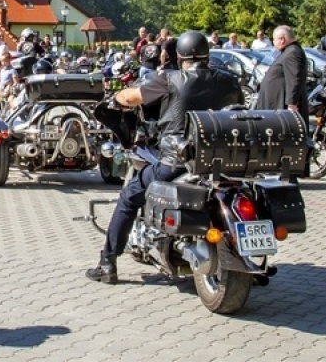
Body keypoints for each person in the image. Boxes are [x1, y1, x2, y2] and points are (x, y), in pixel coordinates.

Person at [86, 30, 243, 285]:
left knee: (129, 197)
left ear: (179, 56)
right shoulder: (229, 81)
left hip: (178, 162)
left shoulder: (170, 79)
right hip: (224, 162)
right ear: (207, 54)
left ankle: (107, 262)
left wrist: (116, 97)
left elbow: (131, 97)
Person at [256, 25, 306, 117]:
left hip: (282, 107)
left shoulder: (292, 53)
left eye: (274, 39)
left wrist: (292, 104)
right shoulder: (289, 51)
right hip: (276, 106)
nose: (273, 42)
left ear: (282, 39)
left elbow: (294, 79)